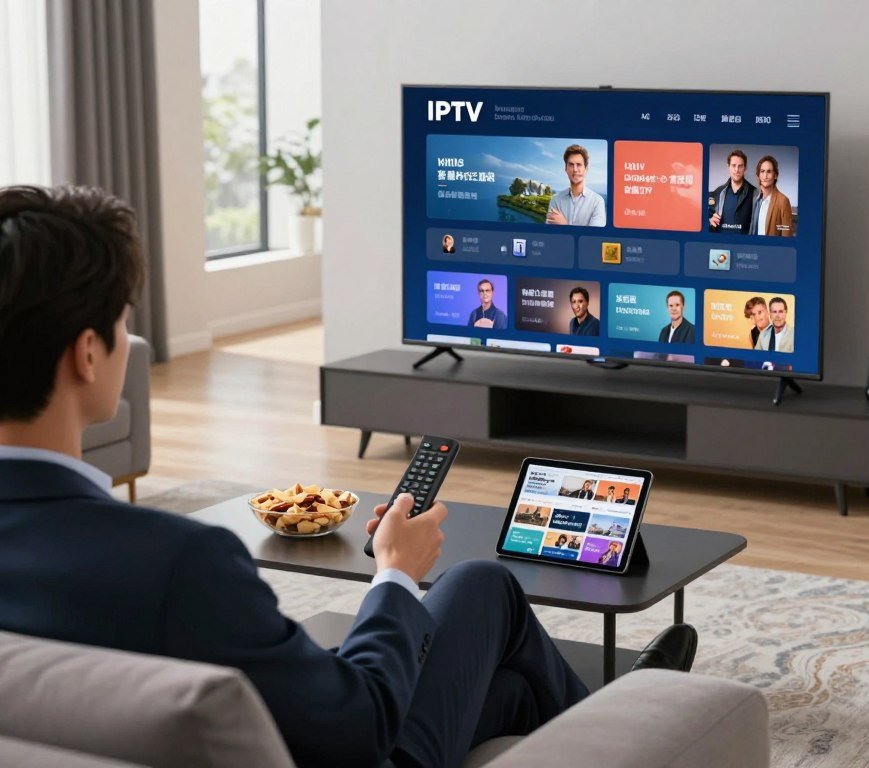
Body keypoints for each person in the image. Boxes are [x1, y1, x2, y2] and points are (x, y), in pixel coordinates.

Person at [0, 185, 698, 768]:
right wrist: (393, 573)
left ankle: (602, 710)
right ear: (87, 354)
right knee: (482, 583)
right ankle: (632, 722)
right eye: (123, 325)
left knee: (508, 686)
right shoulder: (176, 563)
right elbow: (358, 726)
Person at [546, 144, 606, 227]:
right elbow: (550, 235)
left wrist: (564, 224)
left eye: (579, 164)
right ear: (566, 168)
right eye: (571, 164)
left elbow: (593, 238)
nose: (575, 169)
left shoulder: (597, 202)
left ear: (586, 169)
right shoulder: (555, 200)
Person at [708, 150, 755, 235]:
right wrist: (709, 221)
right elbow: (707, 217)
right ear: (728, 166)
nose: (737, 170)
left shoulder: (755, 193)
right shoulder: (717, 192)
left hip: (743, 245)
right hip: (721, 244)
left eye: (740, 166)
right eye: (734, 165)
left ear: (745, 168)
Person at [749, 155, 793, 237]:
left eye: (769, 172)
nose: (765, 176)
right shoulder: (755, 200)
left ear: (775, 175)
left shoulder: (783, 201)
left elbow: (786, 237)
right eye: (762, 171)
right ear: (758, 176)